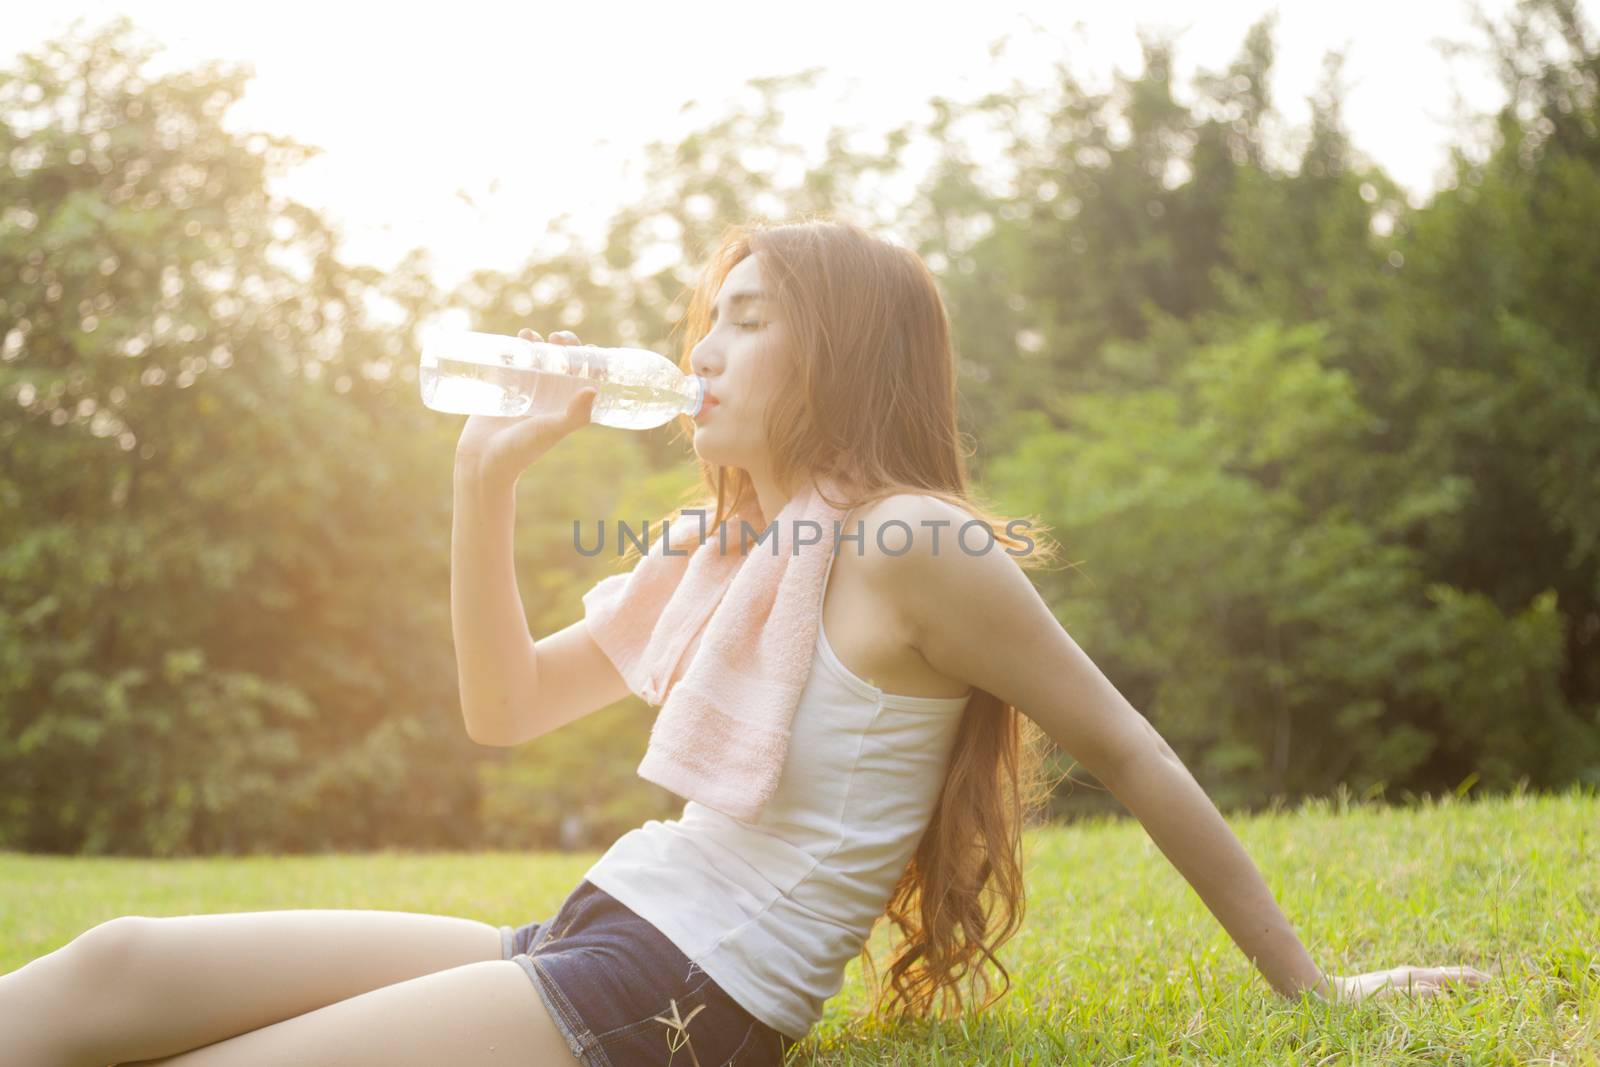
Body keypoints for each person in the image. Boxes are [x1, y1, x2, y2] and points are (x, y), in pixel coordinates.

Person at [0, 217, 1489, 1066]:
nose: (701, 350)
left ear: (838, 353)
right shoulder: (721, 543)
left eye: (746, 322)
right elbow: (503, 709)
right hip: (590, 934)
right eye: (704, 319)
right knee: (114, 971)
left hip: (680, 999)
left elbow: (1131, 748)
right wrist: (482, 485)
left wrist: (1309, 986)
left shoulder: (910, 541)